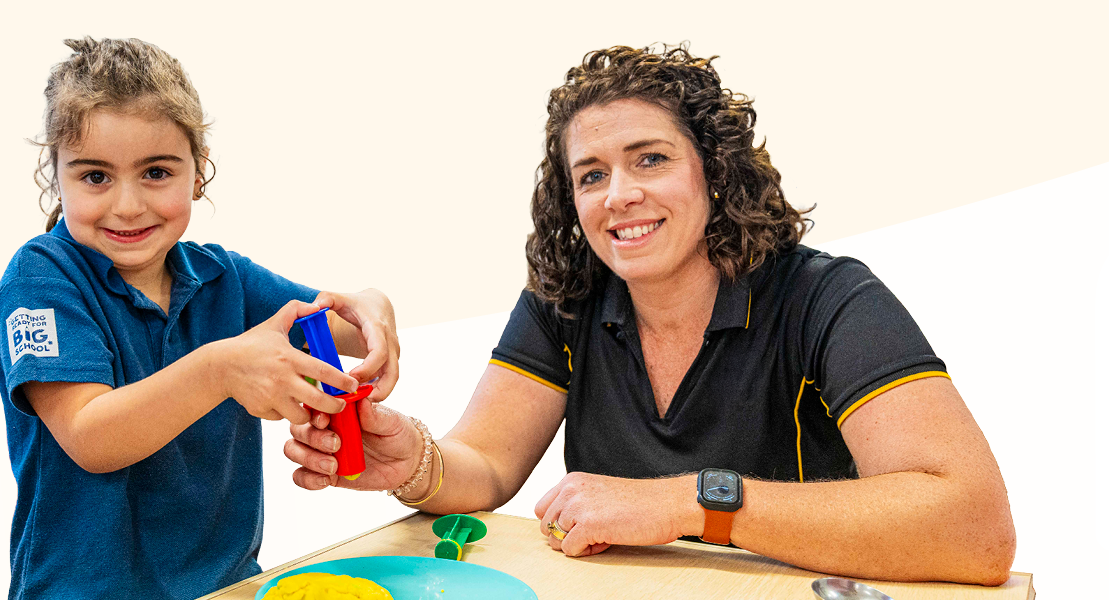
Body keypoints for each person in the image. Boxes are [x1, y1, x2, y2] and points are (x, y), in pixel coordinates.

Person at [282, 44, 1015, 585]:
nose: (618, 195)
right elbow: (488, 465)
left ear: (715, 169)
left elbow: (974, 529)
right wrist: (414, 461)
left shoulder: (829, 300)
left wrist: (690, 503)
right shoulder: (565, 297)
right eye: (591, 176)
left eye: (650, 159)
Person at [0, 37, 400, 600]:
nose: (127, 205)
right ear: (53, 174)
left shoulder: (223, 276)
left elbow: (338, 323)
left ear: (197, 174)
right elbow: (89, 435)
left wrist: (374, 307)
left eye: (156, 172)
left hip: (226, 588)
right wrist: (219, 371)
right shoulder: (40, 281)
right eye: (95, 177)